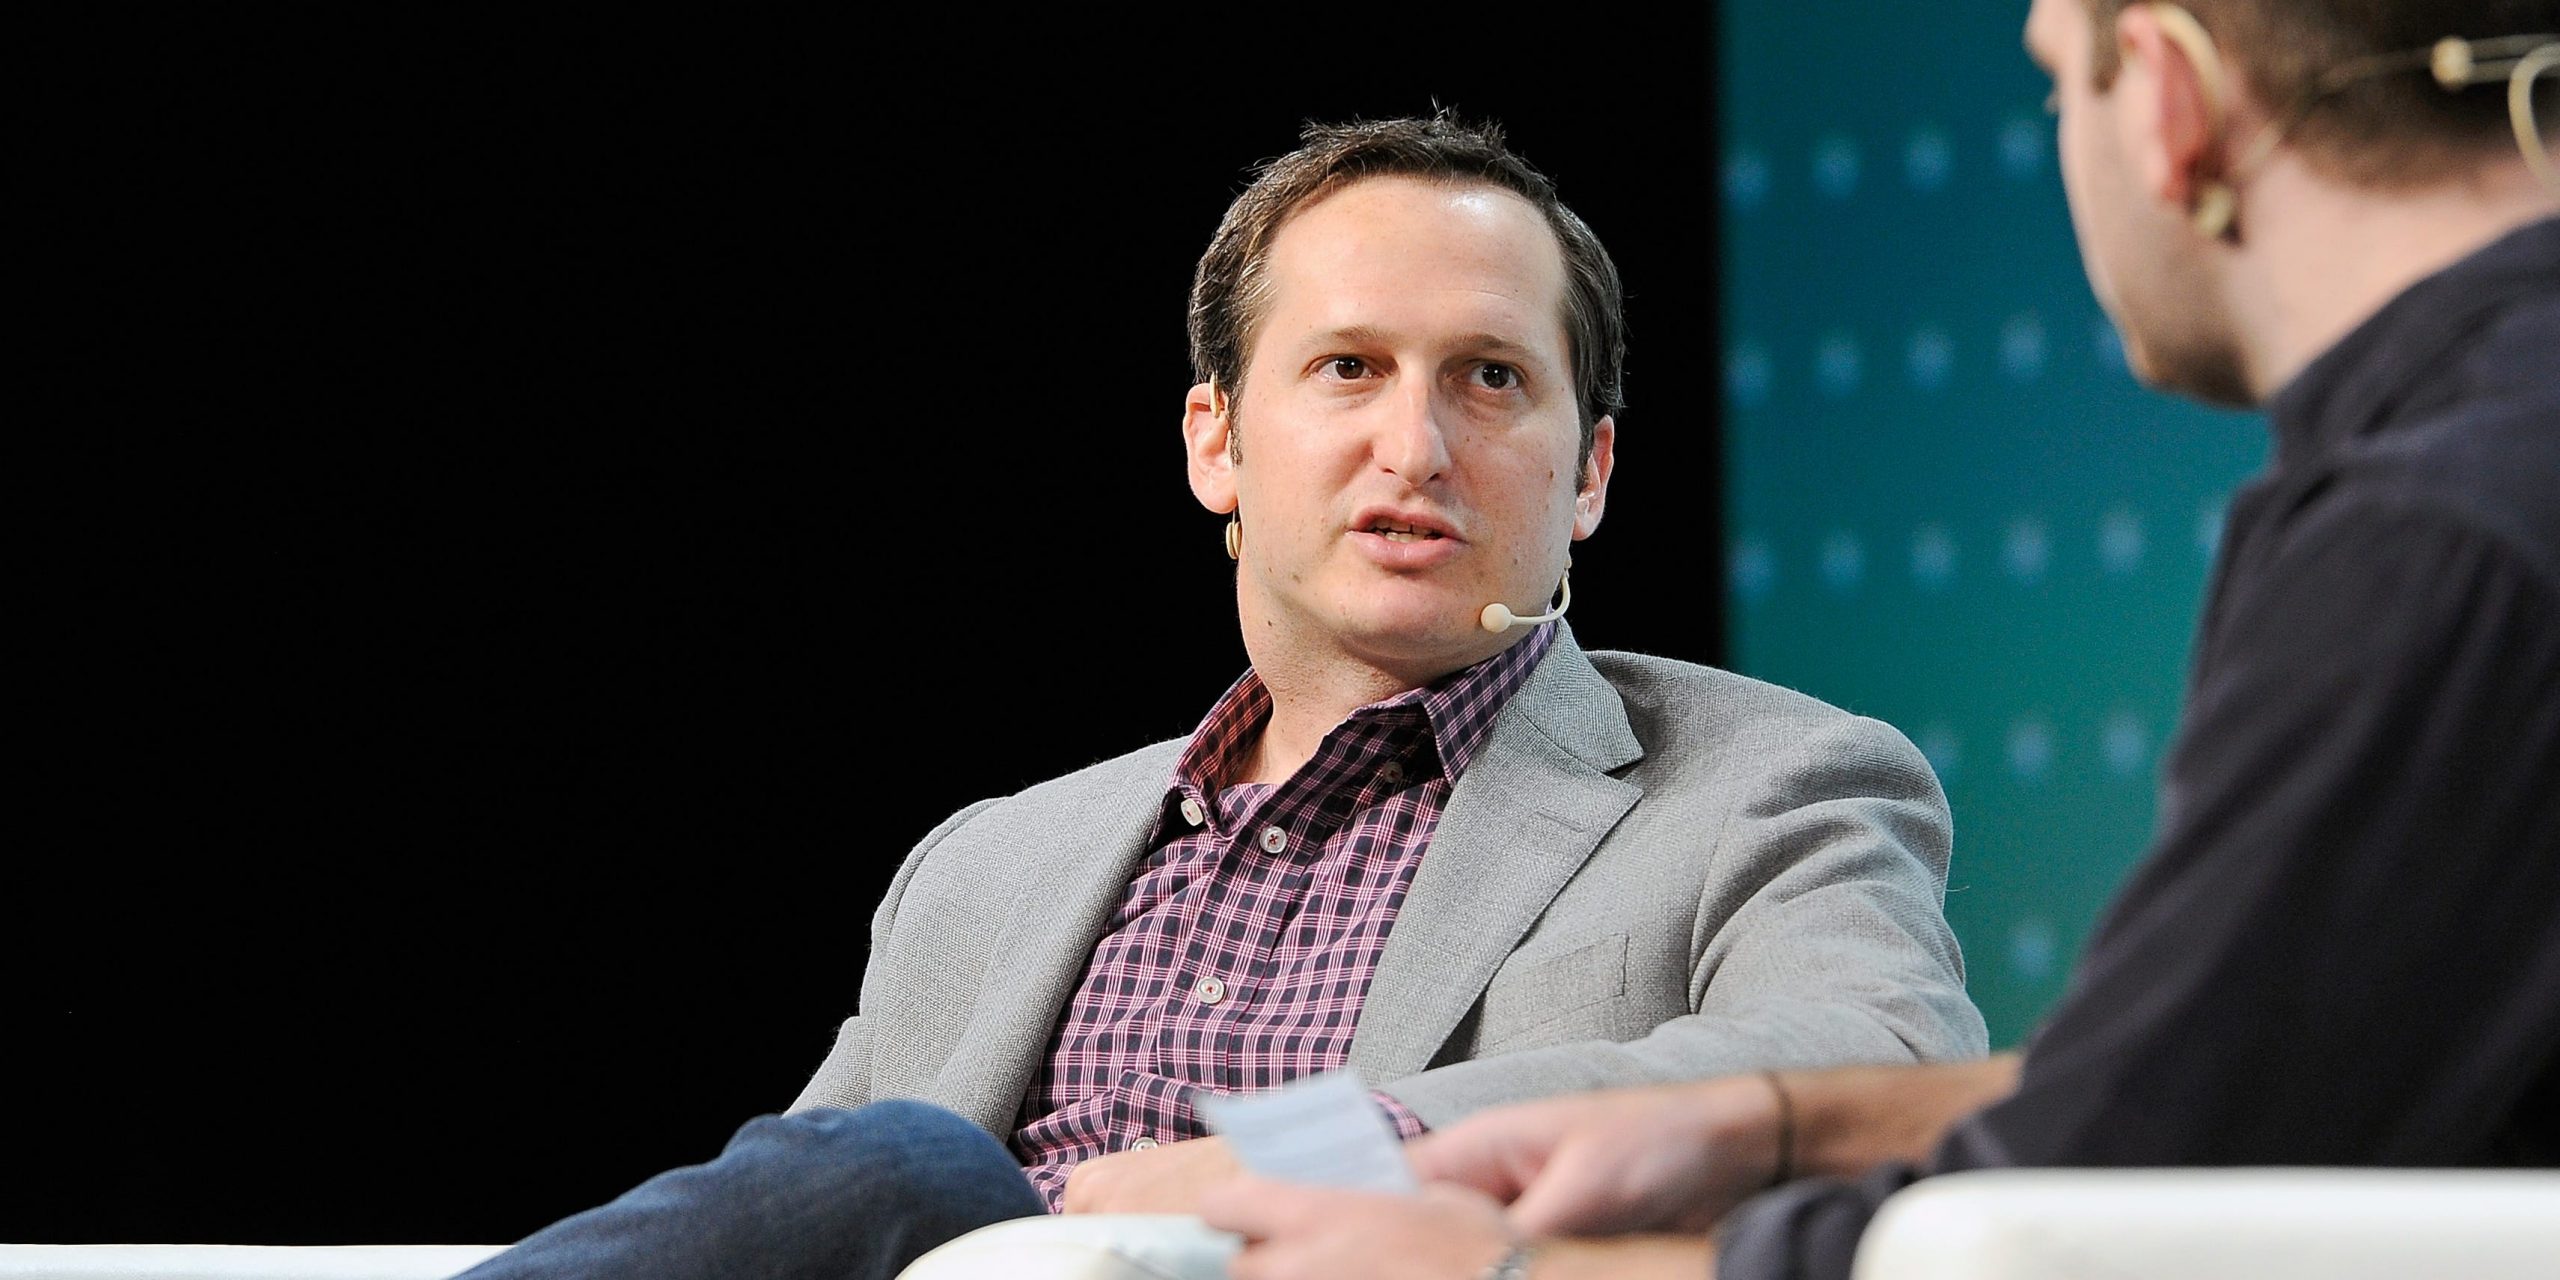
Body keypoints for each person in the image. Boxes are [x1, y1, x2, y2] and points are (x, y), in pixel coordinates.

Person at [449, 112, 1989, 1280]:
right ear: (1216, 444)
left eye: (1490, 379)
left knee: (913, 1175)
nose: (1417, 448)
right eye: (1347, 371)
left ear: (1589, 473)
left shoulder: (1765, 785)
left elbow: (1889, 1070)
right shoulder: (986, 870)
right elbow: (772, 1218)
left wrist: (1308, 1165)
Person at [1192, 2, 2560, 1277]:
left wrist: (1507, 1269)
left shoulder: (2439, 530)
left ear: (2167, 97)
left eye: (2049, 85)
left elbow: (2114, 1185)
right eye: (1346, 370)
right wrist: (1774, 1128)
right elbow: (2227, 1071)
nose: (1413, 448)